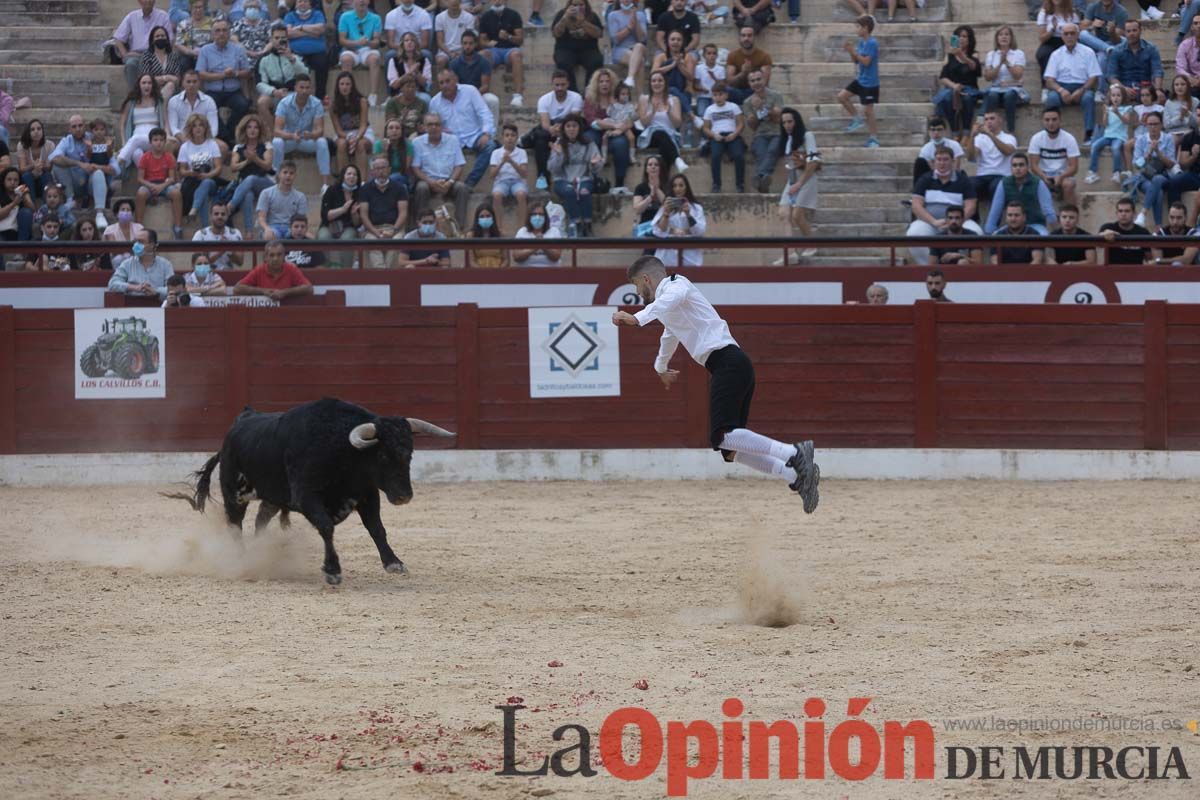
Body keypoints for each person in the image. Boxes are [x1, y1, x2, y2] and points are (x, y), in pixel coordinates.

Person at [612, 255, 820, 512]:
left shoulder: (677, 285)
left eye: (636, 285)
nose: (637, 292)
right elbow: (669, 337)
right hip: (730, 364)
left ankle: (794, 453)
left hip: (728, 363)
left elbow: (667, 302)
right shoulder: (670, 309)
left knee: (722, 434)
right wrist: (660, 367)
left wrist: (637, 318)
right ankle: (796, 477)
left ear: (646, 279)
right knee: (728, 447)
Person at [906, 145, 982, 265]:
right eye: (939, 159)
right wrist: (933, 222)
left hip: (958, 220)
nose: (942, 163)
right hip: (931, 222)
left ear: (953, 161)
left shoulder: (963, 180)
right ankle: (933, 268)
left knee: (976, 231)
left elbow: (971, 206)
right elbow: (916, 206)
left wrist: (956, 221)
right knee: (914, 234)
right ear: (933, 162)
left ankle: (962, 265)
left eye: (946, 159)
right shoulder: (924, 179)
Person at [429, 68, 497, 190]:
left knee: (490, 146)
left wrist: (486, 133)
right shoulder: (434, 102)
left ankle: (469, 184)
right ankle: (445, 186)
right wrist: (441, 130)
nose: (445, 85)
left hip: (475, 135)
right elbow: (433, 125)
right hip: (452, 140)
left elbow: (484, 113)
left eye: (447, 81)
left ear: (455, 80)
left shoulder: (470, 91)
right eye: (441, 83)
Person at [50, 115, 117, 228]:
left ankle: (99, 213)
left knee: (98, 173)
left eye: (80, 125)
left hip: (92, 181)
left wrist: (96, 166)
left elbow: (112, 163)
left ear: (85, 126)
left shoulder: (95, 138)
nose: (78, 129)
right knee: (58, 164)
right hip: (74, 182)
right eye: (74, 126)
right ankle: (71, 199)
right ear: (69, 129)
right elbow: (54, 158)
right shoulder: (67, 141)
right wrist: (79, 164)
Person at [271, 74, 334, 191]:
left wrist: (311, 135)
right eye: (301, 87)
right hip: (289, 139)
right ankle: (275, 180)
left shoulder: (316, 103)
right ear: (295, 88)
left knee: (322, 142)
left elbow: (319, 130)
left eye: (307, 88)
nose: (304, 91)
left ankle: (325, 184)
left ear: (311, 89)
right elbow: (276, 130)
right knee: (277, 142)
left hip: (306, 139)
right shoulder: (284, 103)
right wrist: (291, 136)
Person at [525, 70, 584, 190]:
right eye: (557, 85)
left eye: (563, 85)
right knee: (541, 138)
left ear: (568, 84)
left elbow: (574, 119)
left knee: (539, 134)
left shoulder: (576, 97)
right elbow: (545, 123)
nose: (560, 88)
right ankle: (542, 178)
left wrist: (560, 128)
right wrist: (552, 129)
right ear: (552, 84)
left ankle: (527, 138)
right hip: (551, 130)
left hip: (570, 128)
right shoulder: (544, 99)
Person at [196, 18, 252, 143]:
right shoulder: (205, 50)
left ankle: (229, 132)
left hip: (233, 91)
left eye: (224, 30)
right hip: (213, 91)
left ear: (229, 33)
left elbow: (247, 72)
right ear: (212, 34)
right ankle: (225, 137)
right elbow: (201, 74)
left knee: (243, 104)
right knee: (207, 105)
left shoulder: (239, 49)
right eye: (217, 31)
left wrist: (235, 73)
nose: (221, 33)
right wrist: (222, 75)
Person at [775, 108, 820, 264]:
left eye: (790, 121)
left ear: (796, 121)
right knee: (783, 213)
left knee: (797, 215)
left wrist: (799, 184)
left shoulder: (807, 136)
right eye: (784, 122)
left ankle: (812, 245)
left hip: (806, 179)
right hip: (793, 178)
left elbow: (813, 162)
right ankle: (790, 252)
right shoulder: (788, 139)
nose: (787, 125)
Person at [1042, 24, 1100, 142]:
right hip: (1061, 87)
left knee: (1088, 98)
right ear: (1062, 36)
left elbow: (1093, 77)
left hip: (1082, 87)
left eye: (1072, 33)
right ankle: (1051, 133)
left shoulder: (1088, 52)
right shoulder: (1056, 54)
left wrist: (1081, 90)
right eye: (1066, 34)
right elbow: (1049, 80)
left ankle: (1089, 134)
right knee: (1052, 98)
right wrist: (1061, 90)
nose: (1069, 36)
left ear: (1078, 35)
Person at [411, 112, 469, 228]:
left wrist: (450, 182)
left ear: (442, 126)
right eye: (430, 124)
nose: (434, 127)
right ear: (424, 127)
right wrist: (431, 182)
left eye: (437, 124)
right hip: (428, 182)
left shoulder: (453, 140)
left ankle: (460, 228)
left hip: (449, 181)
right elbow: (416, 168)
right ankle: (420, 225)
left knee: (462, 188)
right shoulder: (417, 142)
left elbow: (459, 165)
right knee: (421, 188)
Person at [549, 114, 602, 237]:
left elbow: (596, 168)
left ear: (579, 128)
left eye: (574, 126)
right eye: (568, 126)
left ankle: (587, 225)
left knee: (583, 191)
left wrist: (594, 164)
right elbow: (553, 169)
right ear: (564, 129)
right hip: (562, 180)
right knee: (570, 192)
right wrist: (559, 155)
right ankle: (576, 224)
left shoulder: (589, 144)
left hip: (584, 178)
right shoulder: (559, 144)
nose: (571, 129)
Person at [358, 155, 410, 268]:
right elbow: (363, 215)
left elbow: (403, 213)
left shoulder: (400, 188)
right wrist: (375, 232)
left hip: (394, 227)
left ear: (389, 169)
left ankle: (388, 275)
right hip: (372, 229)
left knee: (396, 242)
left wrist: (393, 230)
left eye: (383, 168)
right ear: (372, 172)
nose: (381, 171)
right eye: (377, 168)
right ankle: (381, 273)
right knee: (371, 242)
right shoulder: (365, 189)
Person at [985, 152, 1056, 234]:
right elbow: (995, 211)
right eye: (1014, 165)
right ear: (1011, 168)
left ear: (1027, 167)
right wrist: (988, 234)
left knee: (1043, 236)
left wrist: (1056, 233)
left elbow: (1048, 210)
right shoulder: (1004, 183)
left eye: (1021, 165)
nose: (1018, 168)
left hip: (1035, 225)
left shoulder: (1038, 183)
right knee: (995, 236)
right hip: (1011, 227)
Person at [837, 15, 881, 149]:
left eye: (858, 27)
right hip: (860, 79)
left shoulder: (873, 43)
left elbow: (866, 62)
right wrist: (850, 52)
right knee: (842, 96)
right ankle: (857, 119)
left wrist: (853, 51)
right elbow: (856, 61)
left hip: (870, 82)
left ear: (866, 28)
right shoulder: (861, 42)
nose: (856, 29)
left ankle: (874, 139)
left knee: (869, 111)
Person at [113, 0, 174, 94]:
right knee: (131, 63)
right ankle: (135, 96)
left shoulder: (163, 16)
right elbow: (118, 38)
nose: (148, 1)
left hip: (156, 54)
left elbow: (169, 40)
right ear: (139, 1)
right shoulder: (132, 16)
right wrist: (125, 54)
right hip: (136, 54)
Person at [177, 112, 225, 231]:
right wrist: (191, 172)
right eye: (194, 126)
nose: (198, 128)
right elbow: (181, 171)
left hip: (211, 179)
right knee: (203, 194)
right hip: (193, 181)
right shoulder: (185, 147)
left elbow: (219, 167)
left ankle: (194, 209)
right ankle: (205, 229)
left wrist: (207, 175)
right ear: (190, 129)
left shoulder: (212, 144)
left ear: (205, 128)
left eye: (201, 125)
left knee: (207, 183)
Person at [932, 26, 982, 138]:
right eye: (959, 36)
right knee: (947, 99)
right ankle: (955, 132)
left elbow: (974, 67)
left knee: (967, 99)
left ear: (969, 39)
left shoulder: (974, 54)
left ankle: (966, 133)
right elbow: (943, 77)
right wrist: (954, 86)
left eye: (964, 36)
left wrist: (960, 54)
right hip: (952, 88)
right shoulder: (949, 56)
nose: (961, 39)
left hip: (969, 88)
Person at [1130, 111, 1177, 228]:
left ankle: (1143, 213)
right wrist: (1149, 153)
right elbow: (1137, 165)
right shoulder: (1140, 140)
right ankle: (1158, 227)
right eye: (1150, 124)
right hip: (1144, 177)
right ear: (1146, 125)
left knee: (1157, 179)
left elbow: (1171, 164)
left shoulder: (1168, 138)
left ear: (1161, 125)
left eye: (1155, 124)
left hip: (1163, 176)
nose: (1153, 127)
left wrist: (1158, 152)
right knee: (1158, 192)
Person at [228, 113, 275, 231]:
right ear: (244, 129)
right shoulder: (238, 147)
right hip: (246, 184)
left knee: (251, 178)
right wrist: (247, 162)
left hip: (265, 183)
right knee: (247, 195)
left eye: (256, 127)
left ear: (260, 130)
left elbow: (267, 166)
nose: (252, 130)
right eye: (249, 127)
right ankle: (249, 232)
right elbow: (233, 167)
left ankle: (230, 206)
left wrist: (255, 159)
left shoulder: (266, 146)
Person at [255, 26, 309, 127]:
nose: (280, 40)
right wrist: (273, 91)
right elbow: (260, 83)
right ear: (271, 40)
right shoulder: (264, 59)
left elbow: (305, 75)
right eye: (277, 38)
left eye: (283, 38)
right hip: (273, 93)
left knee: (303, 96)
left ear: (287, 39)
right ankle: (273, 134)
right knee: (262, 102)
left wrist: (292, 59)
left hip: (293, 92)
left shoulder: (296, 56)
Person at [638, 72, 689, 176]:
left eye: (660, 80)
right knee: (659, 133)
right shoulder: (644, 99)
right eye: (654, 81)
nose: (657, 83)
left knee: (664, 147)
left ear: (665, 83)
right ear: (650, 84)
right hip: (650, 136)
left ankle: (662, 181)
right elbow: (643, 123)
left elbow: (677, 124)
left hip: (670, 135)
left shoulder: (674, 100)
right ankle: (677, 158)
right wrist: (652, 111)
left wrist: (669, 111)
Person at [134, 127, 184, 232]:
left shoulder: (169, 157)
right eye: (155, 140)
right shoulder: (145, 157)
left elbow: (171, 178)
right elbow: (140, 178)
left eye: (161, 140)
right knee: (140, 194)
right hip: (149, 184)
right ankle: (138, 227)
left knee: (176, 193)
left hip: (165, 185)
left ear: (165, 142)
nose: (159, 143)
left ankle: (178, 227)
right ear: (150, 142)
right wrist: (152, 186)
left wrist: (161, 187)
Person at [477, 0, 527, 107]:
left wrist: (509, 36)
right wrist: (488, 43)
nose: (497, 1)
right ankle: (483, 94)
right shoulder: (486, 16)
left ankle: (518, 95)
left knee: (516, 55)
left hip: (510, 49)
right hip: (494, 50)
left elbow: (520, 40)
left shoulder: (514, 14)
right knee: (482, 55)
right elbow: (481, 41)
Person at [982, 25, 1030, 133]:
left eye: (1007, 34)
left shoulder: (1018, 53)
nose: (1004, 37)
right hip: (996, 89)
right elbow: (988, 77)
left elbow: (1018, 75)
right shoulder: (991, 54)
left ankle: (1011, 131)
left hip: (1012, 89)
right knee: (992, 95)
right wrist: (999, 64)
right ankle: (990, 131)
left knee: (1009, 95)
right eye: (1001, 34)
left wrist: (1007, 63)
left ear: (1011, 37)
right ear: (997, 38)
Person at [1028, 107, 1080, 207]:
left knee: (1068, 185)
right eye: (1047, 120)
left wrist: (1061, 177)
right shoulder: (1036, 138)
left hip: (1064, 175)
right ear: (1042, 121)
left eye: (1054, 119)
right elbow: (1033, 165)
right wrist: (1043, 176)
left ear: (1060, 120)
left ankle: (1071, 214)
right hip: (1043, 175)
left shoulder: (1069, 139)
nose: (1050, 123)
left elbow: (1074, 167)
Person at [651, 173, 706, 267]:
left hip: (690, 259)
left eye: (681, 185)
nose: (678, 189)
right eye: (674, 186)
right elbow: (658, 231)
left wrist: (688, 215)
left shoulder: (696, 208)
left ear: (686, 187)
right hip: (667, 258)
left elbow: (699, 231)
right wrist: (666, 213)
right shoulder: (665, 206)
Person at [116, 74, 168, 172]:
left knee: (135, 139)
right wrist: (124, 142)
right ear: (139, 85)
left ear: (153, 85)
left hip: (154, 138)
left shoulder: (159, 101)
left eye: (149, 83)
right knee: (136, 153)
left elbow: (165, 122)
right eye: (144, 83)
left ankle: (119, 161)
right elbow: (122, 124)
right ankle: (150, 176)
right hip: (136, 138)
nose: (147, 85)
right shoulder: (131, 102)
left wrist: (167, 135)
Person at [964, 110, 1017, 205]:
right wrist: (972, 137)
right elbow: (970, 158)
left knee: (996, 186)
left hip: (1002, 176)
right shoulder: (979, 138)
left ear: (1000, 120)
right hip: (983, 176)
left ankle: (995, 219)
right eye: (986, 119)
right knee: (968, 184)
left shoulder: (1009, 138)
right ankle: (974, 219)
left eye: (992, 118)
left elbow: (1007, 151)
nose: (989, 122)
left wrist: (989, 134)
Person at [337, 0, 384, 108]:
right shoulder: (345, 16)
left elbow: (377, 42)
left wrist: (367, 42)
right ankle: (347, 96)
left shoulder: (375, 18)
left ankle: (373, 97)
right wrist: (357, 43)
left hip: (368, 48)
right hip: (350, 48)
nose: (362, 1)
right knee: (346, 60)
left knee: (374, 59)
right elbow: (342, 40)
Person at [1086, 83, 1135, 184]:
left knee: (1116, 149)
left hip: (1119, 137)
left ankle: (1116, 172)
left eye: (1118, 95)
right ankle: (1093, 172)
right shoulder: (1108, 109)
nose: (1116, 98)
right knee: (1094, 145)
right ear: (1110, 97)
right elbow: (1105, 124)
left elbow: (1126, 121)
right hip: (1108, 136)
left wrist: (1117, 113)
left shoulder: (1127, 109)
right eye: (1113, 95)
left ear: (1123, 97)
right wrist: (1105, 114)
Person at [449, 30, 501, 125]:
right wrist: (465, 97)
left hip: (479, 94)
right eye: (465, 43)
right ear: (461, 44)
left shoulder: (483, 62)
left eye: (470, 43)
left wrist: (472, 96)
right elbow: (455, 85)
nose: (467, 46)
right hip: (460, 96)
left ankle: (493, 135)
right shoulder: (454, 63)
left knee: (493, 100)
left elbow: (485, 86)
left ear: (475, 44)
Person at [552, 0, 604, 94]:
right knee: (563, 63)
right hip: (565, 49)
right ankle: (573, 94)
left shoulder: (591, 15)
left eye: (581, 5)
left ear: (586, 5)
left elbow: (598, 34)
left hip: (588, 49)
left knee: (596, 62)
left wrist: (583, 22)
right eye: (575, 5)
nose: (578, 7)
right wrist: (564, 18)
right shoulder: (561, 14)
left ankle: (589, 93)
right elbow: (556, 33)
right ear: (569, 5)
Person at [702, 83, 745, 194]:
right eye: (715, 95)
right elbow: (705, 128)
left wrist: (734, 134)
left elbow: (741, 124)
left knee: (738, 155)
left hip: (732, 135)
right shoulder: (709, 109)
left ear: (726, 95)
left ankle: (740, 184)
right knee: (715, 156)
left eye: (720, 94)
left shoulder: (733, 106)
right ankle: (716, 184)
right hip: (717, 136)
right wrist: (714, 135)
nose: (718, 97)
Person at [330, 71, 375, 178]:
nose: (344, 87)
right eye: (342, 84)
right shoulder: (333, 105)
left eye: (347, 84)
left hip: (362, 132)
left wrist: (356, 138)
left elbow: (363, 124)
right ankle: (343, 179)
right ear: (338, 86)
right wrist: (349, 137)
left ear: (352, 86)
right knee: (341, 145)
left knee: (360, 144)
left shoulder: (362, 101)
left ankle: (362, 180)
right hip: (343, 133)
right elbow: (338, 130)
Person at [107, 228, 175, 299]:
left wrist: (156, 291)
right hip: (132, 306)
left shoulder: (165, 265)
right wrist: (134, 287)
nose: (136, 245)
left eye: (141, 242)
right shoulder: (127, 263)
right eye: (135, 241)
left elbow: (173, 289)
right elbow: (112, 284)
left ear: (151, 245)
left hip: (158, 307)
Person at [1105, 20, 1162, 102]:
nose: (1132, 34)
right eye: (1128, 31)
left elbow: (1157, 71)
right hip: (1124, 86)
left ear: (1140, 31)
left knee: (1160, 96)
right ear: (1124, 33)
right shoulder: (1117, 51)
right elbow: (1111, 76)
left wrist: (1158, 89)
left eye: (1134, 30)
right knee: (1114, 94)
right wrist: (1123, 88)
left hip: (1145, 86)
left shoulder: (1151, 49)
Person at [235, 239, 315, 299]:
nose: (275, 259)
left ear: (284, 256)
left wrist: (285, 292)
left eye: (279, 255)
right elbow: (237, 289)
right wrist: (263, 291)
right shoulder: (259, 269)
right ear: (265, 257)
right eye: (272, 255)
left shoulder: (291, 268)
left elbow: (309, 288)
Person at [283, 0, 329, 101]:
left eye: (305, 1)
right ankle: (295, 98)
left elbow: (321, 29)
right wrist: (311, 33)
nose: (302, 3)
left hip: (317, 52)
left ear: (310, 3)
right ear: (295, 4)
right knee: (292, 64)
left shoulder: (317, 14)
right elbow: (288, 33)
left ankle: (320, 98)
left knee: (322, 64)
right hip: (296, 52)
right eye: (299, 1)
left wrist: (300, 27)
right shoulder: (290, 16)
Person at [319, 163, 363, 267]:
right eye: (349, 174)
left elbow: (357, 224)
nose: (352, 176)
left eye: (354, 174)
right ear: (343, 176)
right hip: (329, 225)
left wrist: (354, 214)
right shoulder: (331, 190)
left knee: (347, 239)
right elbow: (325, 216)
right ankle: (325, 268)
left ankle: (346, 270)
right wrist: (343, 209)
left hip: (348, 227)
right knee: (323, 237)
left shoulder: (360, 193)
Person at [487, 122, 529, 229]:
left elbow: (524, 174)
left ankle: (522, 228)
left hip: (518, 181)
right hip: (501, 182)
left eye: (513, 135)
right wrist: (502, 162)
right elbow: (492, 175)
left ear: (516, 137)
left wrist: (511, 162)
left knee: (521, 194)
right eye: (507, 135)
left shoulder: (522, 152)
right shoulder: (496, 153)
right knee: (496, 195)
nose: (510, 138)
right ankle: (499, 228)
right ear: (502, 138)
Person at [167, 70, 220, 153]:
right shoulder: (173, 101)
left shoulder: (209, 101)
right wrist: (184, 139)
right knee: (169, 145)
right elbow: (173, 127)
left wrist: (201, 140)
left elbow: (214, 128)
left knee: (223, 147)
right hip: (182, 138)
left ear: (199, 83)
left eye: (194, 81)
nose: (191, 85)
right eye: (188, 82)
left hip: (204, 138)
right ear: (183, 83)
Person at [255, 159, 307, 239]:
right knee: (269, 235)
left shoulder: (301, 196)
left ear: (295, 176)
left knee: (308, 236)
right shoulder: (266, 193)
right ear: (279, 174)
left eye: (291, 173)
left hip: (291, 228)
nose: (288, 175)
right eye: (285, 172)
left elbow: (301, 220)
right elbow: (261, 217)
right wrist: (267, 228)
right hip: (272, 227)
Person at [606, 0, 647, 96]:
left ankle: (630, 77)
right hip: (620, 49)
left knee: (639, 46)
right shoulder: (613, 15)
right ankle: (640, 96)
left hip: (638, 48)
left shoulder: (640, 15)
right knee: (640, 61)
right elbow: (615, 40)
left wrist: (635, 20)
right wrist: (629, 27)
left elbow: (642, 38)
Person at [139, 24, 188, 101]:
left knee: (170, 85)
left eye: (163, 36)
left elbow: (177, 79)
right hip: (152, 89)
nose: (160, 38)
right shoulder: (147, 56)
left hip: (172, 90)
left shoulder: (173, 56)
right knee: (169, 84)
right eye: (157, 36)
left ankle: (160, 105)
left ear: (167, 38)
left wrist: (158, 79)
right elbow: (146, 79)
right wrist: (167, 77)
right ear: (152, 40)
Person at [192, 199, 244, 269]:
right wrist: (220, 251)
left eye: (223, 214)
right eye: (216, 214)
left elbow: (240, 262)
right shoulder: (200, 235)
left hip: (229, 274)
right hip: (207, 276)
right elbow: (197, 266)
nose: (220, 217)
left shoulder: (235, 233)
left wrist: (229, 250)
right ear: (210, 216)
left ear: (227, 216)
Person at [1099, 196, 1151, 263]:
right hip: (1113, 272)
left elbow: (1149, 259)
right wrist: (1104, 234)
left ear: (1134, 213)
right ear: (1116, 213)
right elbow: (1098, 244)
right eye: (1120, 211)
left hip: (1136, 272)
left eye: (1127, 211)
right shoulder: (1108, 227)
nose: (1123, 214)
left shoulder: (1143, 232)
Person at [1035, 0, 1079, 76]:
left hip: (1069, 41)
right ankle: (1047, 83)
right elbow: (1042, 38)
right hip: (1051, 41)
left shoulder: (1072, 13)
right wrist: (1053, 29)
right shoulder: (1044, 13)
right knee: (1043, 54)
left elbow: (1077, 32)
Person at [513, 201, 564, 266]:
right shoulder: (522, 232)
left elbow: (556, 256)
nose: (537, 217)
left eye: (541, 214)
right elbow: (516, 257)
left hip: (550, 272)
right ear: (529, 216)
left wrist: (543, 245)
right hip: (527, 272)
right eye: (534, 214)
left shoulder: (554, 231)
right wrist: (534, 248)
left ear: (545, 217)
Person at [388, 31, 434, 102]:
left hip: (418, 93)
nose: (409, 42)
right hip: (400, 93)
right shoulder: (393, 61)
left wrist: (417, 72)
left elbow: (426, 85)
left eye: (412, 40)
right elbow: (394, 85)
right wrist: (409, 72)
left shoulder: (424, 60)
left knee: (426, 99)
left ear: (416, 44)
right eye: (406, 40)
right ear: (402, 44)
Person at [384, 73, 430, 140]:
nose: (411, 89)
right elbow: (390, 124)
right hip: (397, 134)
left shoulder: (422, 103)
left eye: (413, 87)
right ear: (401, 89)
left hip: (415, 135)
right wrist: (402, 118)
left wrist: (422, 127)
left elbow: (424, 122)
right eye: (408, 86)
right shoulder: (392, 103)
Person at [17, 119, 54, 202]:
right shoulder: (22, 145)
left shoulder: (49, 145)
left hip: (43, 178)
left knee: (47, 175)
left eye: (39, 128)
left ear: (42, 131)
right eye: (32, 129)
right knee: (26, 176)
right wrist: (33, 165)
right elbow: (22, 169)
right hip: (28, 180)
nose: (36, 132)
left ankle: (47, 207)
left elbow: (49, 167)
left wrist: (40, 166)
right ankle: (32, 206)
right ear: (28, 132)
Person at [434, 0, 476, 69]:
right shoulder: (439, 17)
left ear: (460, 3)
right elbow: (440, 42)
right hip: (446, 50)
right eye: (452, 6)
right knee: (440, 60)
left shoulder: (469, 17)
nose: (454, 8)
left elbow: (469, 39)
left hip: (464, 49)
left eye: (456, 6)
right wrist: (450, 53)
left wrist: (461, 52)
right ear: (447, 3)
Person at [465, 203, 507, 267]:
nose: (485, 218)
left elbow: (505, 260)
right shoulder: (471, 235)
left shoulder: (501, 234)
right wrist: (483, 273)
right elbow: (471, 261)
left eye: (488, 216)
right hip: (478, 273)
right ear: (477, 219)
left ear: (493, 218)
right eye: (482, 216)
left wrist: (498, 271)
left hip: (498, 271)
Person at [0, 166, 34, 242]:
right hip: (2, 231)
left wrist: (25, 196)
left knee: (26, 212)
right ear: (3, 181)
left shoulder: (22, 191)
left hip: (19, 231)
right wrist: (14, 203)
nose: (12, 182)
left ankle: (21, 250)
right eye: (9, 179)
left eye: (16, 180)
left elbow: (32, 210)